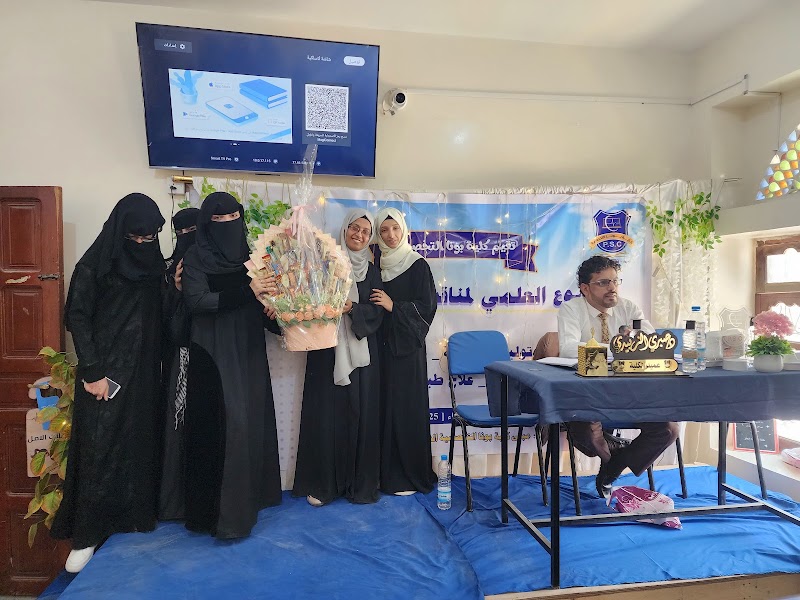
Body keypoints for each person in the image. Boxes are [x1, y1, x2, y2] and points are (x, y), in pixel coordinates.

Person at [52, 193, 166, 573]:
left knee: (139, 443)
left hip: (145, 372)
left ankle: (135, 518)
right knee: (100, 449)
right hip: (105, 375)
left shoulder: (155, 265)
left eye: (150, 238)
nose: (143, 244)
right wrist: (93, 371)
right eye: (136, 238)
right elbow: (77, 317)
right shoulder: (93, 265)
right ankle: (87, 535)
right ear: (120, 233)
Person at [180, 192, 282, 539]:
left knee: (250, 423)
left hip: (248, 349)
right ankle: (222, 518)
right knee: (227, 426)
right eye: (218, 220)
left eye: (233, 218)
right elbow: (197, 300)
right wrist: (248, 292)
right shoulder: (196, 257)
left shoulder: (253, 256)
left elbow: (260, 302)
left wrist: (274, 312)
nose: (227, 225)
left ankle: (251, 502)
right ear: (207, 224)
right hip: (213, 352)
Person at [557, 255, 678, 498]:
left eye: (614, 281)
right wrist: (619, 347)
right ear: (585, 288)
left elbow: (650, 343)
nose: (612, 288)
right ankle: (615, 451)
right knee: (587, 435)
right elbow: (568, 348)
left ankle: (616, 464)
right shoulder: (571, 309)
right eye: (603, 282)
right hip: (588, 395)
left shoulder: (628, 308)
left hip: (631, 393)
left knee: (668, 429)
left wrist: (621, 347)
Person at [292, 210, 384, 506]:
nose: (359, 235)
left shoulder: (372, 272)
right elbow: (307, 299)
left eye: (365, 232)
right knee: (326, 416)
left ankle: (359, 485)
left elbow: (378, 312)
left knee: (359, 414)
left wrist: (352, 309)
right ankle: (324, 485)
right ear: (345, 229)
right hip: (326, 349)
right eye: (354, 228)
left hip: (360, 355)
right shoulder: (325, 262)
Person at [371, 207, 437, 495]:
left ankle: (408, 476)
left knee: (405, 409)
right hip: (380, 348)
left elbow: (427, 307)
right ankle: (384, 475)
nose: (391, 235)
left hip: (407, 351)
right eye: (384, 230)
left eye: (395, 228)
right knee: (382, 407)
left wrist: (394, 307)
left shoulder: (417, 264)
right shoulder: (376, 265)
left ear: (404, 229)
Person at [158, 207, 199, 521]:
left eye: (192, 231)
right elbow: (164, 321)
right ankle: (175, 503)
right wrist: (176, 288)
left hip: (213, 354)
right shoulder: (168, 269)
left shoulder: (217, 263)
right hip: (181, 358)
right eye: (180, 233)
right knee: (178, 424)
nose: (186, 238)